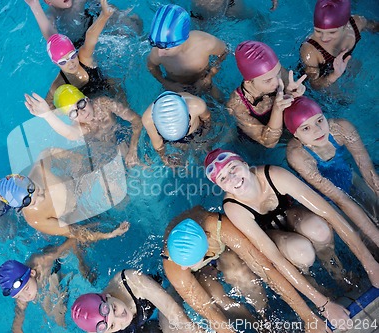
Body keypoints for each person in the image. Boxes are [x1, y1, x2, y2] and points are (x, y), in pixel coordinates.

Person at [204, 148, 379, 330]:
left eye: (233, 168)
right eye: (223, 178)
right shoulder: (234, 208)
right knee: (301, 251)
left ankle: (338, 273)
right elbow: (274, 260)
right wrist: (324, 305)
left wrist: (370, 264)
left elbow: (329, 213)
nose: (232, 178)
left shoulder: (274, 176)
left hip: (291, 215)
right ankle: (318, 291)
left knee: (319, 230)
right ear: (222, 187)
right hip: (273, 236)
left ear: (246, 165)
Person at [162, 206, 327, 333]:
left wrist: (308, 316)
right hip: (199, 272)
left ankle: (265, 317)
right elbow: (207, 310)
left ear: (207, 244)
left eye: (189, 262)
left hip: (223, 250)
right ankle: (257, 326)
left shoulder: (218, 227)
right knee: (218, 300)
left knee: (240, 273)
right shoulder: (175, 265)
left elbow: (265, 269)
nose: (183, 267)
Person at [284, 96, 379, 249]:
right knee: (366, 240)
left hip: (348, 177)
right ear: (295, 135)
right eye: (306, 128)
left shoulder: (341, 128)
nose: (318, 130)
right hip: (328, 199)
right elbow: (340, 199)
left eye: (319, 120)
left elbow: (368, 171)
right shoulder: (298, 155)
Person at [0, 167, 129, 242]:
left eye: (35, 189)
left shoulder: (39, 170)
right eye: (32, 201)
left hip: (79, 185)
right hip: (78, 211)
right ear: (21, 207)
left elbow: (54, 153)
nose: (41, 196)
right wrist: (110, 234)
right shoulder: (36, 219)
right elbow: (76, 233)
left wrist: (76, 160)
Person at [25, 84, 142, 167]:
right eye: (73, 113)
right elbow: (71, 134)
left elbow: (136, 119)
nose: (82, 113)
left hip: (120, 133)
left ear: (87, 99)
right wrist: (47, 115)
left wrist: (133, 148)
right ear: (71, 118)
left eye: (81, 104)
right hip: (103, 149)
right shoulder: (83, 126)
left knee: (141, 162)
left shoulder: (105, 104)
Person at [31, 0, 115, 107]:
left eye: (72, 56)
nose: (71, 63)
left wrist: (104, 15)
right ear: (55, 63)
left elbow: (91, 37)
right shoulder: (58, 84)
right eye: (63, 62)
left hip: (109, 91)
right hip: (88, 108)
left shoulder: (84, 58)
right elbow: (48, 106)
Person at [0, 238, 92, 332]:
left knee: (55, 316)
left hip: (56, 265)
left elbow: (72, 240)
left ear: (32, 273)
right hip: (47, 280)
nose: (26, 297)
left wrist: (82, 265)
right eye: (18, 296)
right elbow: (16, 325)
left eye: (26, 288)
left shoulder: (44, 261)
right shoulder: (22, 297)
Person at [226, 41, 307, 148]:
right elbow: (269, 143)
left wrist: (293, 94)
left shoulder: (274, 72)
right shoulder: (237, 105)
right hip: (255, 146)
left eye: (278, 73)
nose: (277, 81)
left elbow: (297, 102)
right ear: (248, 82)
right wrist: (277, 110)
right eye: (268, 81)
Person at [71, 270, 205, 333]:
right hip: (140, 327)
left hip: (160, 304)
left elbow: (175, 314)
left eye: (114, 309)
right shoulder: (99, 329)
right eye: (112, 326)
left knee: (172, 328)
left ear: (107, 296)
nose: (121, 318)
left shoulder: (132, 282)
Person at [146, 4, 227, 97]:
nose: (160, 53)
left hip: (204, 82)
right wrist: (167, 83)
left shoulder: (206, 43)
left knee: (221, 103)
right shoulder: (157, 50)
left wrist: (208, 77)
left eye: (167, 49)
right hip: (174, 87)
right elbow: (152, 66)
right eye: (157, 46)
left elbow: (224, 52)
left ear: (182, 41)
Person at [299, 0, 379, 90]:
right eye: (318, 31)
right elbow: (314, 85)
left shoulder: (357, 23)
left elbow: (374, 27)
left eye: (332, 32)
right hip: (324, 79)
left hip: (345, 64)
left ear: (344, 26)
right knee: (346, 101)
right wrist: (335, 75)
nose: (324, 38)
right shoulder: (310, 50)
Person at [142, 91, 211, 167]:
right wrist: (164, 159)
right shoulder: (148, 120)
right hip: (173, 140)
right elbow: (158, 145)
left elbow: (207, 120)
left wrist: (205, 136)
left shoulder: (197, 105)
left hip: (196, 130)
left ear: (189, 117)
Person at [24, 0, 92, 47]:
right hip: (75, 49)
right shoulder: (52, 14)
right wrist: (34, 5)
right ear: (48, 1)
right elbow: (52, 38)